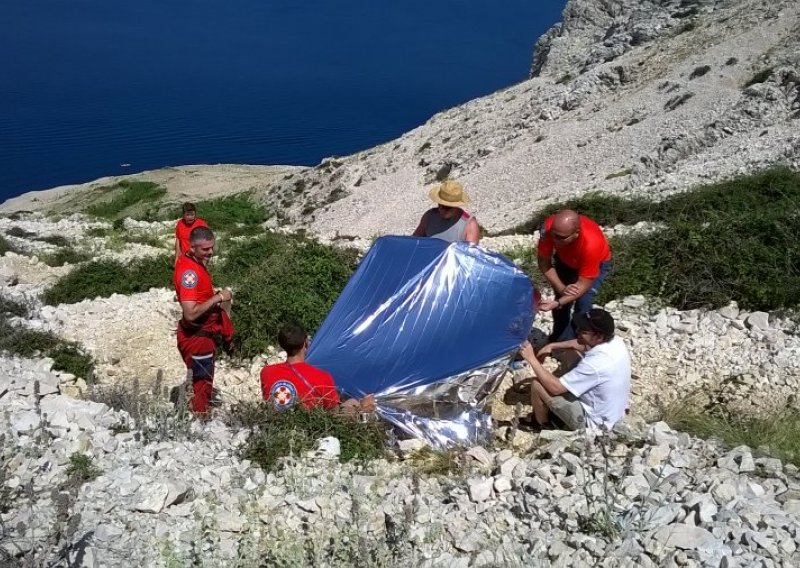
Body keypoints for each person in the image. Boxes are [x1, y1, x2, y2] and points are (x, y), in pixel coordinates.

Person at [518, 308, 630, 431]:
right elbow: (578, 344)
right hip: (612, 412)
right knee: (570, 354)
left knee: (537, 385)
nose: (577, 331)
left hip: (594, 423)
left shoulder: (595, 364)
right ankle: (567, 389)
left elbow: (556, 389)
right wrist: (552, 345)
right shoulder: (615, 342)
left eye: (583, 330)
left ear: (599, 336)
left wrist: (531, 358)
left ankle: (543, 425)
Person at [173, 226, 234, 416]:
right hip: (198, 339)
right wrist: (218, 298)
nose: (211, 252)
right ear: (192, 248)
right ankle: (199, 421)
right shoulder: (189, 273)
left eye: (212, 247)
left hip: (202, 334)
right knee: (202, 383)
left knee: (202, 379)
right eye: (205, 249)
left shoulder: (193, 263)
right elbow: (190, 313)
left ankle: (197, 410)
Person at [260, 323, 375, 414]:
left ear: (282, 345)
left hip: (278, 427)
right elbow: (334, 414)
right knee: (353, 402)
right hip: (307, 431)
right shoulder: (322, 377)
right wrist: (362, 407)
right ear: (306, 343)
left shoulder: (266, 372)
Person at [536, 209, 611, 342]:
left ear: (576, 233)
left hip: (594, 262)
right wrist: (561, 289)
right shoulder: (548, 230)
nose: (555, 240)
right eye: (554, 235)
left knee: (583, 303)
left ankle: (578, 340)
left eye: (561, 237)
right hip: (566, 260)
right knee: (561, 304)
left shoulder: (591, 244)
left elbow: (582, 285)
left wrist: (557, 302)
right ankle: (559, 339)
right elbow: (544, 263)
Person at [412, 179, 480, 244]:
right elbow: (414, 241)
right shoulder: (429, 216)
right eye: (440, 205)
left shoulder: (469, 224)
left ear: (455, 206)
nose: (442, 209)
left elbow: (470, 253)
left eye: (447, 207)